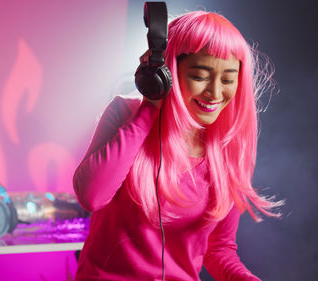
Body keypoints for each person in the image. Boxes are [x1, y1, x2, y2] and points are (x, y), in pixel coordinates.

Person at [73, 11, 282, 281]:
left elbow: (218, 249)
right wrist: (150, 107)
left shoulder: (227, 149)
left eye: (228, 80)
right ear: (166, 72)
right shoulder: (125, 113)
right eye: (200, 76)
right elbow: (91, 195)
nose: (215, 93)